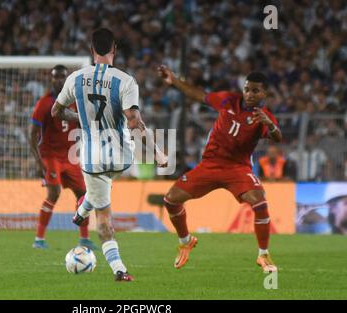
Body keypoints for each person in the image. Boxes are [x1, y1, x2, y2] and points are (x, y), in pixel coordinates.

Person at [52, 28, 167, 281]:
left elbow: (56, 111)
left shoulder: (75, 78)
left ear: (91, 50)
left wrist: (80, 119)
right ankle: (86, 216)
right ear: (114, 49)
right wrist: (158, 152)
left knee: (103, 218)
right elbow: (135, 121)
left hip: (92, 159)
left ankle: (117, 268)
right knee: (103, 186)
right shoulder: (126, 81)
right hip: (121, 158)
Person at [158, 65, 282, 272]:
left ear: (264, 93)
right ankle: (186, 240)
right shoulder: (228, 100)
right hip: (210, 165)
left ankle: (264, 255)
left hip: (238, 169)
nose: (249, 94)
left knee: (260, 203)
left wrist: (269, 124)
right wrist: (174, 80)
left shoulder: (263, 116)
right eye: (247, 89)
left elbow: (277, 137)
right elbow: (199, 95)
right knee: (171, 199)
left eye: (255, 91)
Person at [29, 65, 96, 250]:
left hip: (70, 157)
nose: (59, 80)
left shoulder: (77, 101)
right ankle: (39, 239)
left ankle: (84, 239)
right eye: (55, 77)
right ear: (51, 79)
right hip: (51, 157)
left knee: (84, 195)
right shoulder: (44, 103)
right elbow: (32, 134)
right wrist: (39, 162)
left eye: (62, 77)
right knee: (54, 193)